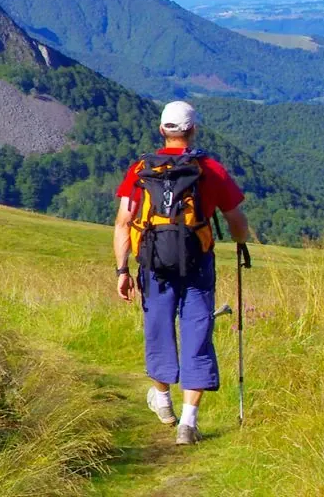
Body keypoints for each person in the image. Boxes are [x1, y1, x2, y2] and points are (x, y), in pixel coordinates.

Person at [112, 100, 251, 445]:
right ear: (193, 130)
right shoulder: (209, 169)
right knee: (197, 332)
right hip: (197, 263)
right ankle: (188, 423)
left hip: (153, 263)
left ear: (162, 130)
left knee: (157, 328)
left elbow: (124, 221)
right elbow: (236, 219)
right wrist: (240, 242)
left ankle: (162, 399)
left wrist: (122, 270)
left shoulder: (141, 169)